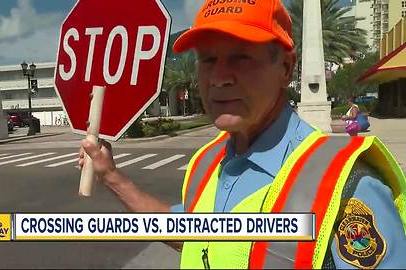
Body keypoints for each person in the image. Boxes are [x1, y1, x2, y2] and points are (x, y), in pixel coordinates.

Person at [79, 0, 406, 268]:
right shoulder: (206, 163)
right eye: (208, 59)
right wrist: (111, 176)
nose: (219, 78)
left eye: (241, 57)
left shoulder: (346, 186)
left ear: (286, 68)